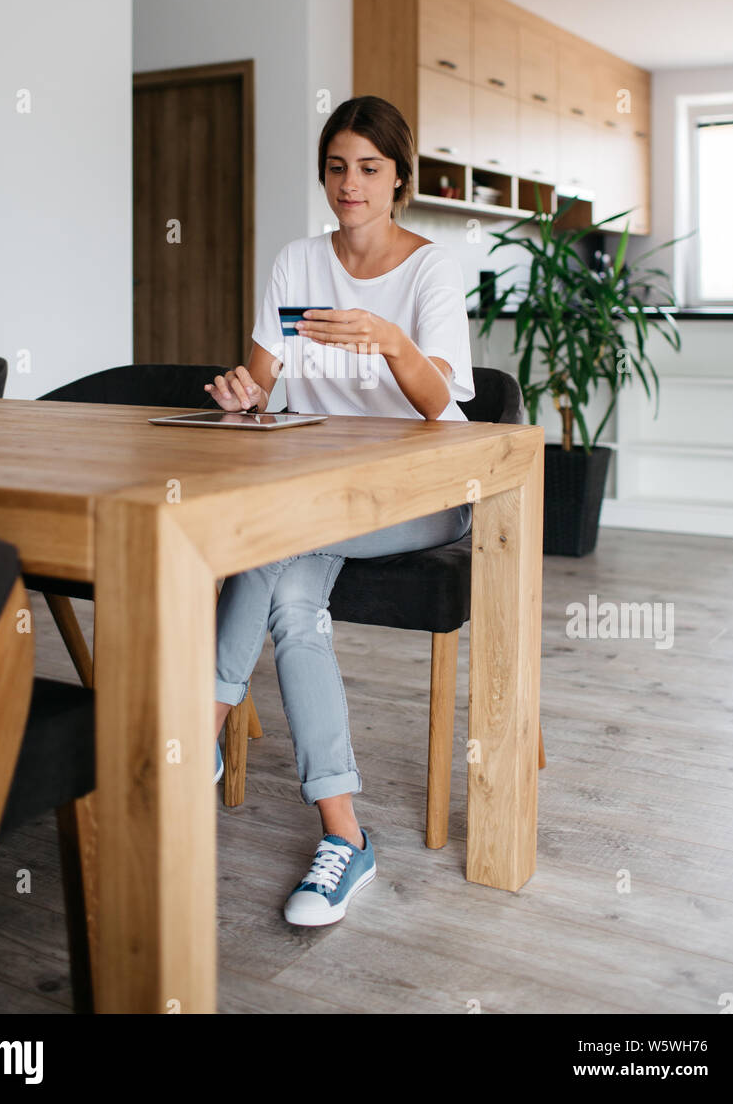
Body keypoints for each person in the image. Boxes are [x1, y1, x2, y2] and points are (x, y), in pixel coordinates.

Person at [205, 94, 474, 926]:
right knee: (290, 595)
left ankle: (196, 729)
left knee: (274, 544)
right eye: (336, 168)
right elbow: (262, 386)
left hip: (426, 493)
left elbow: (439, 407)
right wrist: (240, 397)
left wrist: (389, 340)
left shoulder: (432, 268)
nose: (349, 184)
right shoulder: (295, 261)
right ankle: (344, 835)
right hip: (319, 495)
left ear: (399, 178)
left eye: (368, 168)